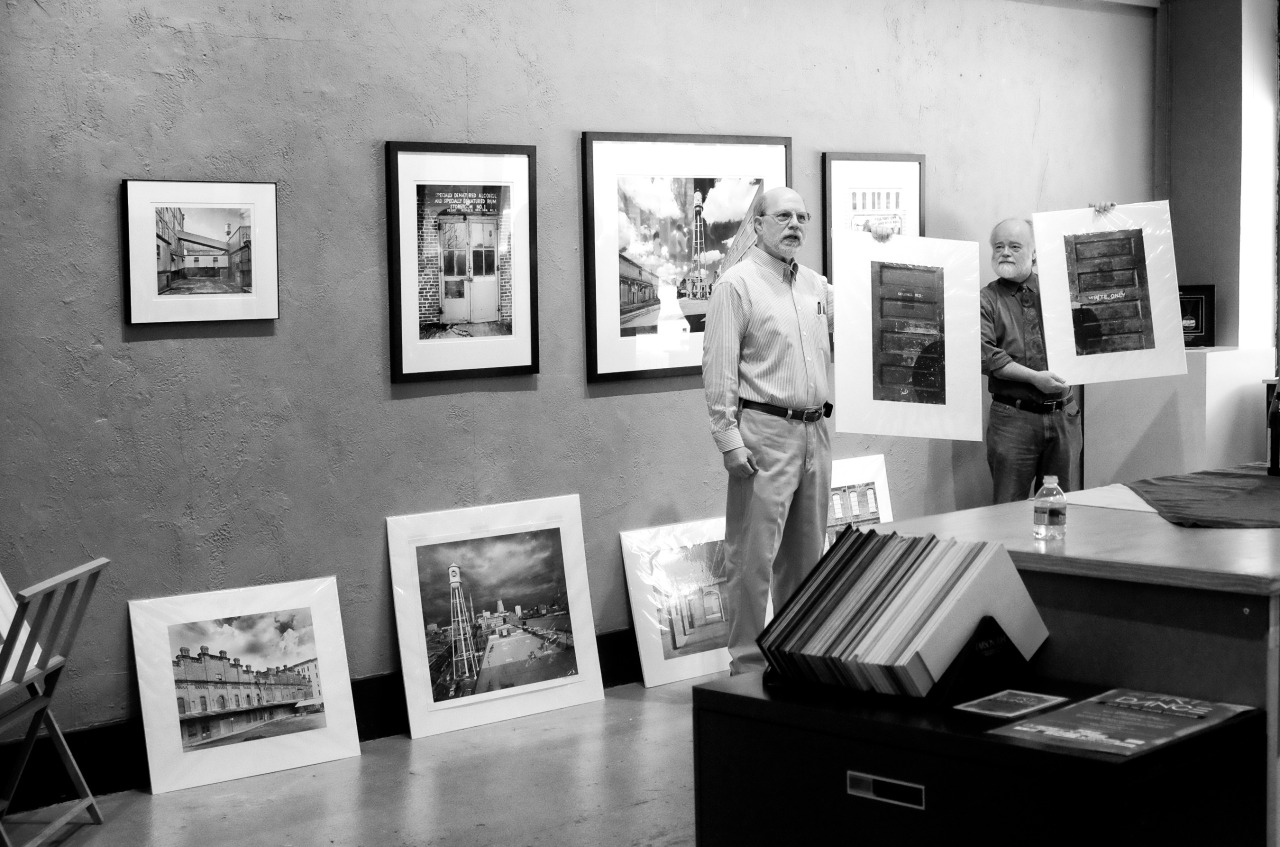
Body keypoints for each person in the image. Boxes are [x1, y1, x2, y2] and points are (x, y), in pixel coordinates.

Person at [702, 186, 833, 675]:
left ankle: (795, 659)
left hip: (816, 434)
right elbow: (719, 374)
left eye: (802, 216)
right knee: (752, 560)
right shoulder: (735, 285)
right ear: (757, 224)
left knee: (805, 560)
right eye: (782, 216)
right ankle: (749, 668)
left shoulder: (816, 287)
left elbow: (867, 314)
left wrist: (880, 248)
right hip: (764, 436)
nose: (795, 224)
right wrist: (729, 441)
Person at [980, 217, 1081, 503]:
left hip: (1064, 417)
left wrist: (1101, 217)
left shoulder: (1061, 291)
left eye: (1015, 246)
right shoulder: (986, 300)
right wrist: (1034, 378)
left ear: (1035, 252)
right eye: (998, 246)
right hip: (1013, 420)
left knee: (1059, 508)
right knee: (1007, 509)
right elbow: (986, 355)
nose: (1005, 252)